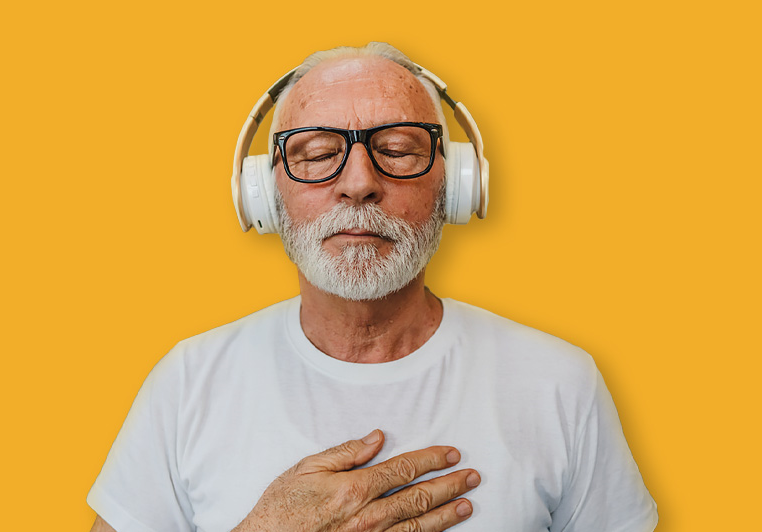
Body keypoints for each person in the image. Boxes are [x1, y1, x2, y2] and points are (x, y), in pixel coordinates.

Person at [88, 42, 658, 532]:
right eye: (316, 154)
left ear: (456, 184)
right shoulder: (188, 384)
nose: (359, 183)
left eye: (397, 150)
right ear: (263, 196)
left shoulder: (559, 383)